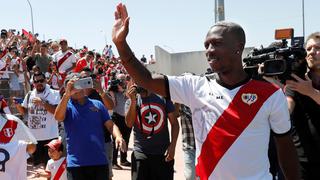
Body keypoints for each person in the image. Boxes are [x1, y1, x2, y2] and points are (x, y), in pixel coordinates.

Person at [111, 3, 300, 180]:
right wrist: (121, 44)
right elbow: (147, 80)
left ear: (238, 47)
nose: (209, 50)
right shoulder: (195, 87)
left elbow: (286, 148)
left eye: (216, 43)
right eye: (206, 45)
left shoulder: (271, 95)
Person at [54, 73, 127, 180]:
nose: (76, 88)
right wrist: (67, 95)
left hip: (99, 162)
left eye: (79, 83)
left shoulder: (97, 104)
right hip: (76, 164)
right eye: (72, 85)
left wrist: (119, 136)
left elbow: (110, 125)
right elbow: (58, 117)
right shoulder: (66, 106)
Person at [125, 83, 179, 180]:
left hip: (163, 153)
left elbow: (174, 123)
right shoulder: (131, 101)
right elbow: (129, 123)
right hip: (141, 152)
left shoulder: (163, 98)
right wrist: (133, 101)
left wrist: (173, 146)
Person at [285, 32, 320, 179]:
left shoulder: (305, 86)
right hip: (302, 161)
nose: (312, 52)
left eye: (317, 48)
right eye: (309, 48)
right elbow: (288, 106)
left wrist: (311, 92)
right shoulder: (297, 78)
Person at [15, 71, 60, 167]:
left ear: (46, 81)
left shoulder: (55, 93)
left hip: (50, 137)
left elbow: (57, 112)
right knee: (38, 167)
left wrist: (43, 103)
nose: (39, 83)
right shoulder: (30, 94)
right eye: (36, 81)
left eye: (41, 80)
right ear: (33, 83)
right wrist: (18, 106)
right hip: (34, 138)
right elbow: (24, 112)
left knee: (51, 166)